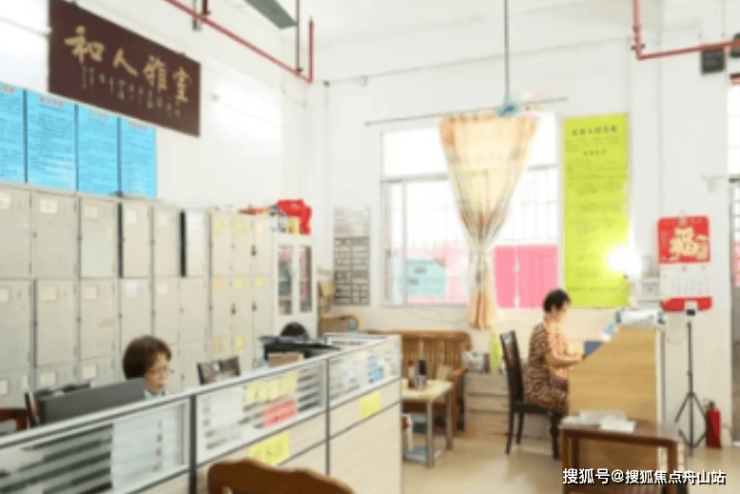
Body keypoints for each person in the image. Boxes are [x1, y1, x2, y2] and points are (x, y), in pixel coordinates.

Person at [523, 289, 582, 416]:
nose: (566, 314)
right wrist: (578, 360)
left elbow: (566, 350)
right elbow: (553, 361)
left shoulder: (555, 328)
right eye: (564, 310)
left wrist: (575, 354)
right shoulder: (542, 332)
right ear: (554, 308)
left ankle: (569, 428)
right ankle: (570, 429)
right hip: (538, 388)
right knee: (571, 401)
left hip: (551, 381)